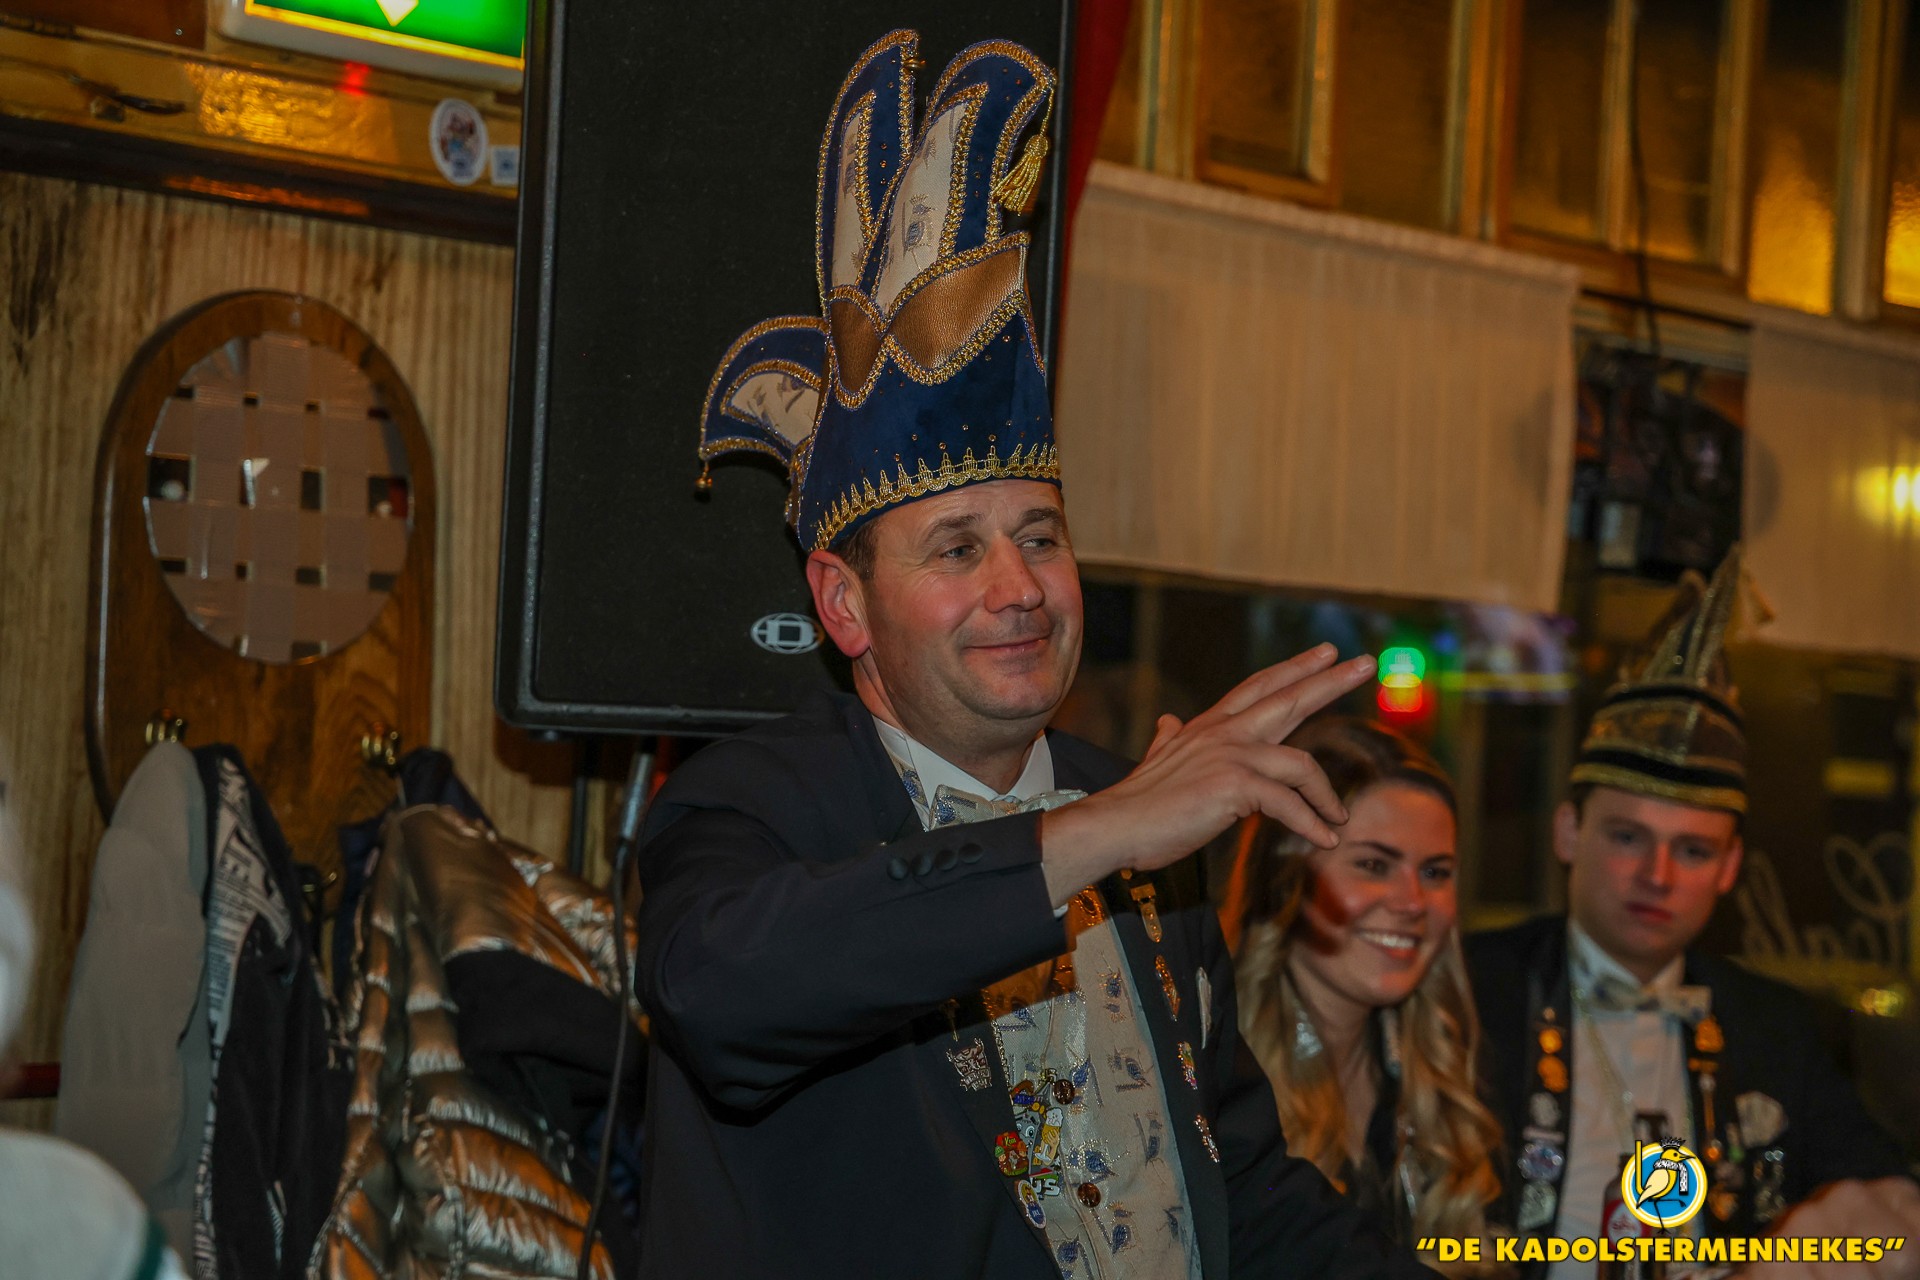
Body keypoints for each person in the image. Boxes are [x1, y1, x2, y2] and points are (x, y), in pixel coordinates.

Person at [634, 30, 1435, 1280]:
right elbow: (721, 996)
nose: (1019, 588)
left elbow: (1235, 1188)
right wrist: (1095, 834)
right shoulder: (755, 803)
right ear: (844, 604)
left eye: (1042, 537)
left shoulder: (1136, 811)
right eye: (956, 548)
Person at [1466, 552, 1920, 1278]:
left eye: (1693, 850)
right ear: (1568, 833)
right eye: (1627, 837)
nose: (1658, 875)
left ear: (1731, 867)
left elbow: (1885, 1200)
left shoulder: (1773, 1026)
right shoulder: (1469, 989)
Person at [1220, 719, 1502, 1252]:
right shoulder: (1215, 1068)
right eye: (1374, 865)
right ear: (1285, 878)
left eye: (1435, 873)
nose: (1412, 903)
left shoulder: (1447, 1070)